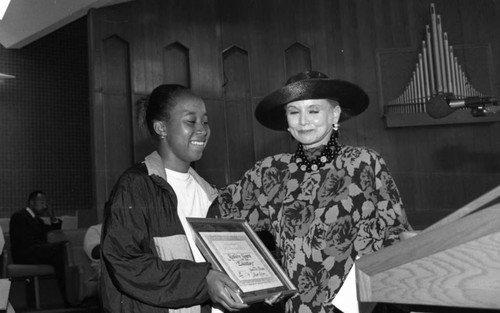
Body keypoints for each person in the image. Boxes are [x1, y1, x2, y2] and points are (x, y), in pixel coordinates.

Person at [208, 71, 413, 313]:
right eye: (294, 112)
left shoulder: (364, 163)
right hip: (296, 306)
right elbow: (219, 220)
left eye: (313, 111)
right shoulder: (269, 171)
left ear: (334, 114)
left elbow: (396, 233)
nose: (303, 121)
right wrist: (262, 277)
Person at [100, 84, 249, 313]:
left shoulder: (208, 193)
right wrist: (202, 281)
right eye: (191, 121)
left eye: (205, 121)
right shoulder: (136, 186)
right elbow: (125, 262)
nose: (202, 129)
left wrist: (257, 283)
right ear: (161, 127)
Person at [9, 190, 70, 304]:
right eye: (41, 202)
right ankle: (69, 298)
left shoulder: (38, 221)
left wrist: (52, 215)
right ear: (31, 203)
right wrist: (46, 247)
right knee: (62, 248)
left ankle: (69, 298)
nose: (45, 205)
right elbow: (24, 242)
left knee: (61, 258)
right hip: (24, 255)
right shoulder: (19, 216)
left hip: (36, 253)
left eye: (45, 203)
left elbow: (54, 230)